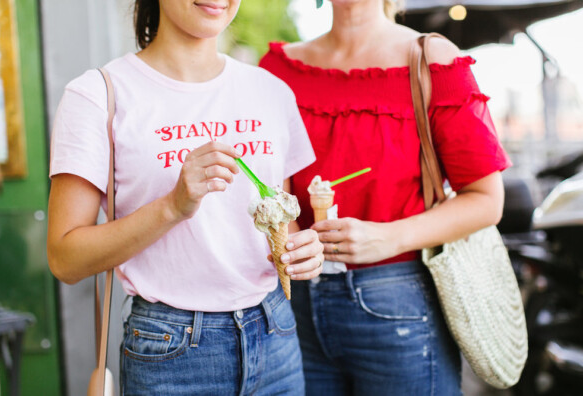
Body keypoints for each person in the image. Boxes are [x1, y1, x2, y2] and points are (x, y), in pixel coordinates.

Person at [47, 0, 324, 394]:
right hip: (169, 350)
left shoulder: (271, 91)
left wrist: (302, 250)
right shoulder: (97, 94)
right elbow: (65, 259)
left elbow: (282, 223)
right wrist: (172, 206)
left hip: (274, 332)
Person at [259, 0, 512, 394]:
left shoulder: (432, 60)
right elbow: (277, 191)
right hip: (294, 306)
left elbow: (485, 199)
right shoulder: (277, 70)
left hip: (401, 306)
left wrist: (388, 237)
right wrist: (291, 238)